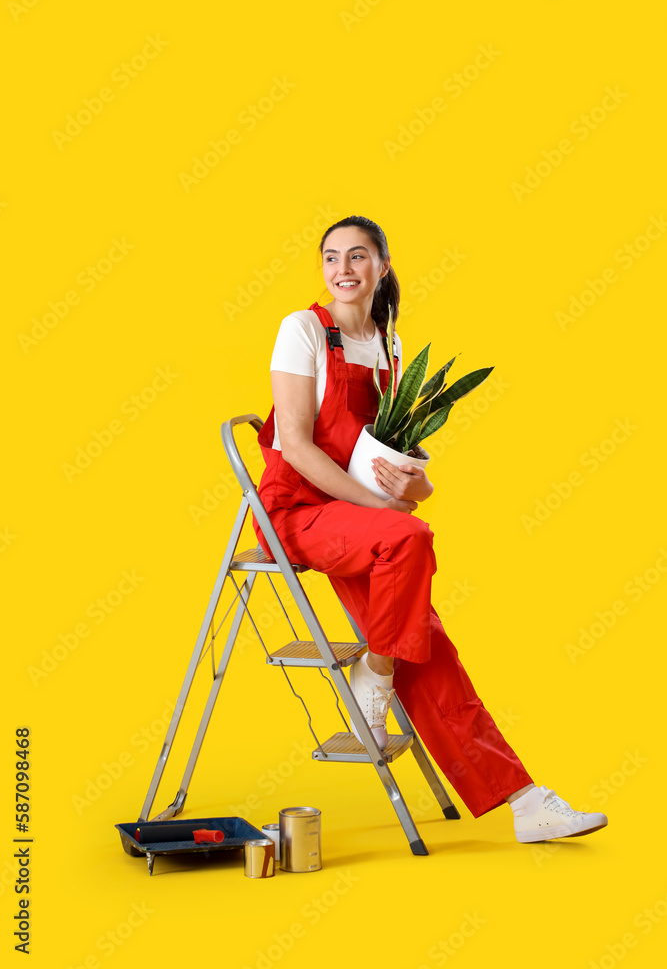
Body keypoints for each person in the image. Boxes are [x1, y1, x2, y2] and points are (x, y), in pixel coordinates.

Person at [252, 214, 608, 844]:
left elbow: (397, 463)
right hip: (299, 513)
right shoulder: (302, 330)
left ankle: (523, 801)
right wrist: (377, 506)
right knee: (410, 543)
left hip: (362, 520)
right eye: (331, 257)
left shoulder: (389, 344)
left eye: (357, 257)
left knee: (429, 647)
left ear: (382, 267)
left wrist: (410, 484)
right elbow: (301, 449)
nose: (343, 270)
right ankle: (376, 677)